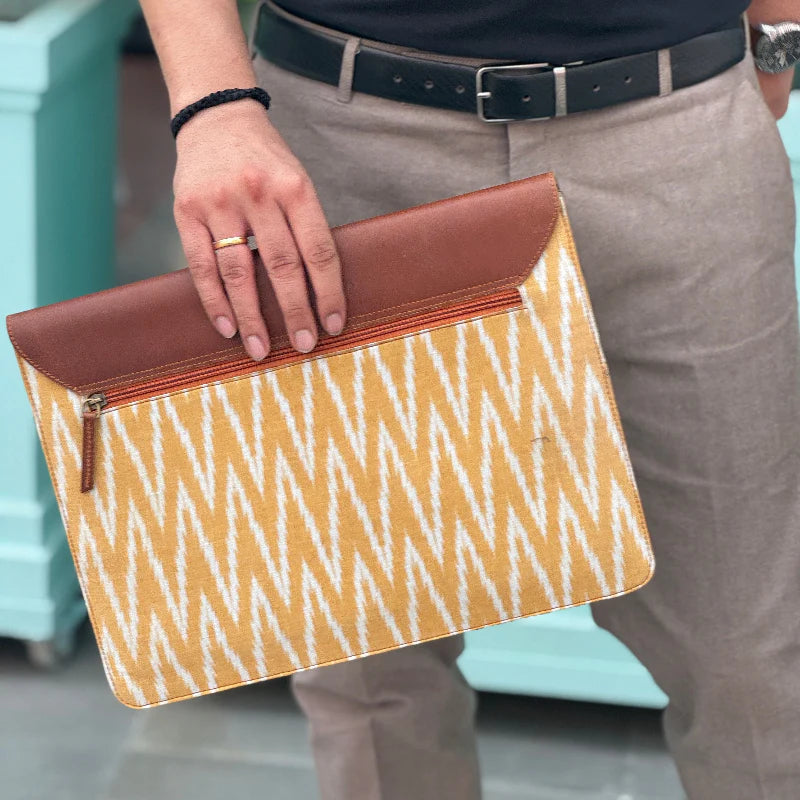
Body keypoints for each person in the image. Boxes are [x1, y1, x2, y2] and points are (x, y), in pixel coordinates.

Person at [138, 1, 800, 797]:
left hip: (675, 128)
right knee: (368, 661)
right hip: (342, 138)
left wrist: (777, 32)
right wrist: (213, 106)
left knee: (755, 660)